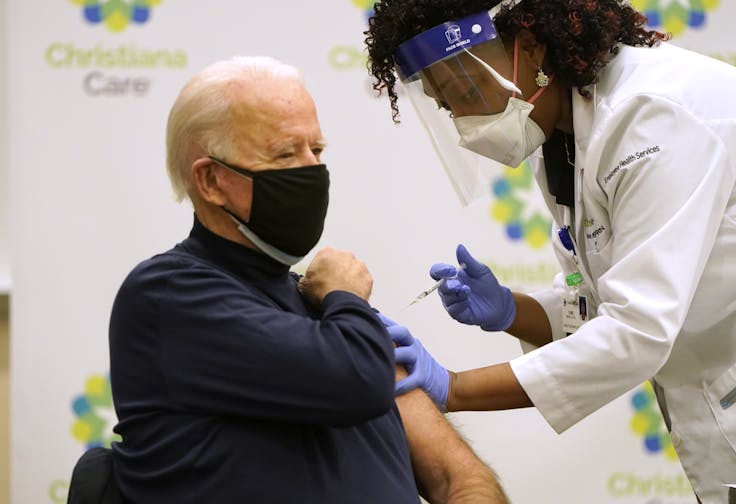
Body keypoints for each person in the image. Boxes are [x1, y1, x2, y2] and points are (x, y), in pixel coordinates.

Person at [364, 0, 736, 502]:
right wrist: (511, 311)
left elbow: (636, 330)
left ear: (530, 49)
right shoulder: (564, 140)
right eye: (446, 105)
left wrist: (454, 387)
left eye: (464, 91)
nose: (462, 122)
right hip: (716, 409)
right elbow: (595, 304)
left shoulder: (650, 115)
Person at [108, 55, 508, 503]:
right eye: (284, 153)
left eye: (316, 151)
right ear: (212, 181)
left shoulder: (333, 311)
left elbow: (460, 477)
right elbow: (356, 379)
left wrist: (345, 305)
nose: (312, 171)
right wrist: (346, 297)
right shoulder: (170, 296)